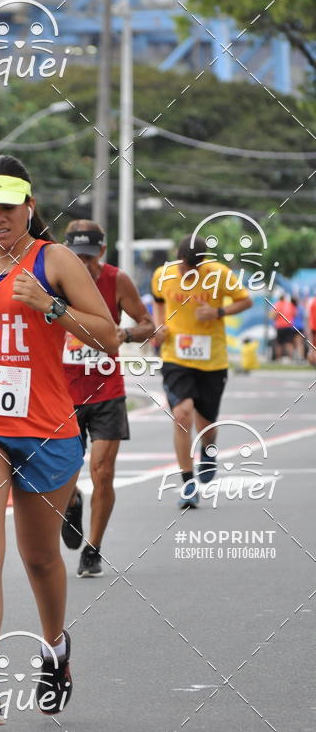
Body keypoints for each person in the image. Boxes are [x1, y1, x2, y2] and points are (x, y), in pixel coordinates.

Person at [0, 155, 120, 726]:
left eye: (6, 207)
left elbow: (110, 337)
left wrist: (51, 305)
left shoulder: (56, 260)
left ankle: (55, 651)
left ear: (29, 206)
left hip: (47, 429)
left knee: (40, 559)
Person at [60, 220, 154, 578]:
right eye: (76, 256)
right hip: (64, 392)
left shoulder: (116, 280)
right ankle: (71, 502)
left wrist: (126, 331)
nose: (82, 264)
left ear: (101, 251)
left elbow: (148, 323)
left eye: (88, 256)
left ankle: (93, 549)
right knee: (65, 471)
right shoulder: (54, 279)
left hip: (107, 390)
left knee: (103, 471)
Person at [152, 234, 252, 508]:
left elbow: (246, 301)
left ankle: (209, 449)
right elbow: (159, 301)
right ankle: (188, 483)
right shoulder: (163, 274)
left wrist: (218, 312)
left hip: (212, 359)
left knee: (206, 426)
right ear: (178, 259)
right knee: (182, 414)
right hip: (176, 355)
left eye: (194, 268)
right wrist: (160, 327)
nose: (189, 272)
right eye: (185, 267)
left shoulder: (219, 274)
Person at [271, 294, 297, 361]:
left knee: (279, 343)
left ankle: (278, 359)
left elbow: (273, 315)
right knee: (288, 343)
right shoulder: (289, 304)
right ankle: (291, 358)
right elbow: (295, 314)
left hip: (280, 326)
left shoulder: (278, 304)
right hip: (288, 325)